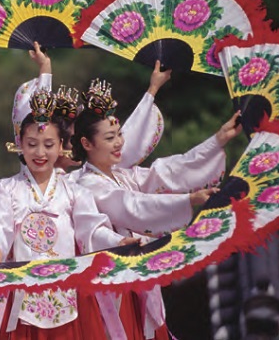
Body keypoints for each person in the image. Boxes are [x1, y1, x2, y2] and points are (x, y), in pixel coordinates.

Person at [70, 71, 242, 340]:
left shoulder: (123, 175)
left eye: (118, 135)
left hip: (135, 279)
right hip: (108, 288)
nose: (118, 143)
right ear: (86, 144)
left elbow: (169, 171)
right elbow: (132, 207)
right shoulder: (87, 184)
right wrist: (188, 200)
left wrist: (218, 139)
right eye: (109, 138)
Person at [0, 89, 139, 340]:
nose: (40, 153)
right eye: (32, 144)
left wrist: (118, 242)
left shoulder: (75, 192)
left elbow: (91, 230)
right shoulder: (4, 190)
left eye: (48, 145)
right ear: (19, 144)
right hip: (20, 296)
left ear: (62, 146)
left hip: (67, 294)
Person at [9, 41, 165, 173]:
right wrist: (45, 67)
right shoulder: (23, 181)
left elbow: (117, 148)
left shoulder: (78, 182)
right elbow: (37, 124)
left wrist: (153, 89)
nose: (77, 145)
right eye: (72, 140)